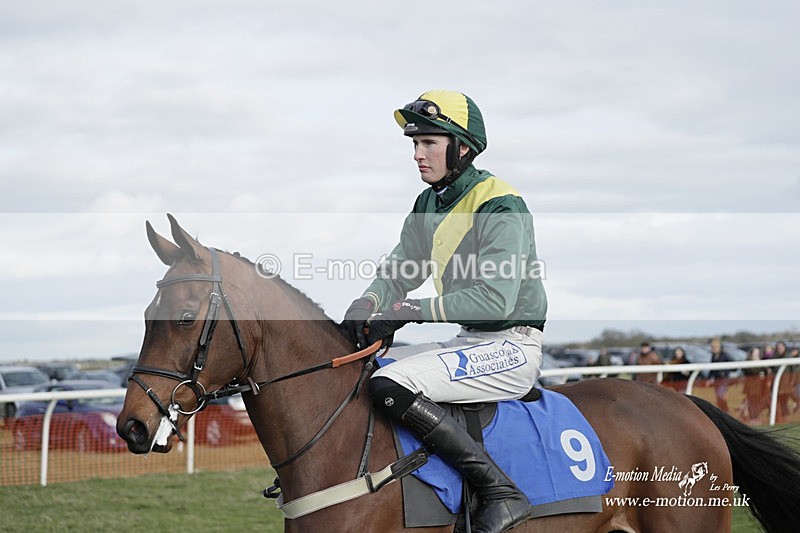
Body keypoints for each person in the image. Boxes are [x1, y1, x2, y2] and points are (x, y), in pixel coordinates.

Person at [341, 89, 547, 533]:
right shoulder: (429, 202)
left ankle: (501, 492)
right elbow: (400, 270)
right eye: (415, 143)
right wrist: (366, 304)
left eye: (429, 142)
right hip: (470, 340)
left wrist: (407, 310)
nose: (418, 154)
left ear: (463, 147)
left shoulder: (500, 202)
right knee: (363, 371)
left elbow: (494, 300)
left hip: (513, 344)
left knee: (390, 383)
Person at [738, 346, 770, 423]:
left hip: (760, 386)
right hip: (751, 387)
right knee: (752, 402)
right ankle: (752, 418)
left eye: (758, 353)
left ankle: (748, 412)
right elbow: (750, 372)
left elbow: (766, 372)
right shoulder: (748, 363)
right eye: (755, 353)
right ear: (751, 354)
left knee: (759, 402)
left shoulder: (762, 363)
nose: (757, 354)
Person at [708, 337, 731, 412]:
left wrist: (724, 372)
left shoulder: (724, 355)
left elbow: (732, 365)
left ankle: (725, 410)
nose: (713, 348)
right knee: (718, 396)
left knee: (721, 396)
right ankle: (722, 411)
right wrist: (709, 378)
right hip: (716, 379)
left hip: (724, 380)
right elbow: (712, 368)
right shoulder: (713, 356)